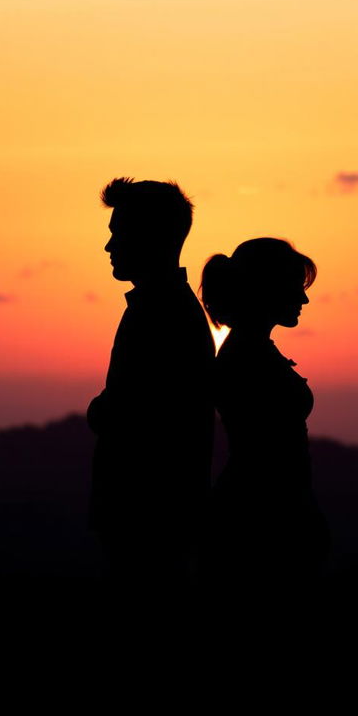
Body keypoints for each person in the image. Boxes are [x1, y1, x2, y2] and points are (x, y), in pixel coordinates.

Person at [87, 178, 215, 589]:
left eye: (118, 235)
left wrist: (102, 410)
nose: (109, 247)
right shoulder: (165, 309)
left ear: (151, 238)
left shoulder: (161, 316)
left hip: (149, 522)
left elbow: (132, 416)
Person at [200, 238, 329, 598]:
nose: (303, 300)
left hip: (265, 513)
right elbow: (267, 459)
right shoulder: (246, 358)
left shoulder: (250, 350)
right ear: (266, 290)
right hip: (260, 521)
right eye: (294, 288)